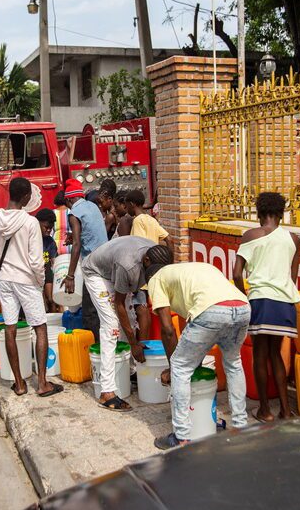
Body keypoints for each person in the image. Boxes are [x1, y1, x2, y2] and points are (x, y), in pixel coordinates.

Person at [145, 262, 252, 449]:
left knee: (179, 366)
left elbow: (168, 328)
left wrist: (174, 366)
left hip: (210, 311)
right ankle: (240, 427)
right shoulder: (193, 270)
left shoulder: (156, 279)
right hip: (242, 307)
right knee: (233, 363)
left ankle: (182, 436)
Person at [0, 177, 63, 398]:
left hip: (4, 280)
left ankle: (19, 383)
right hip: (26, 280)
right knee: (40, 327)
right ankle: (43, 383)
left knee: (10, 327)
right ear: (27, 197)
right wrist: (39, 282)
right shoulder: (30, 223)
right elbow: (37, 262)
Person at [81, 236, 172, 411]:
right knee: (112, 325)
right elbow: (119, 303)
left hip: (116, 270)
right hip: (97, 273)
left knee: (130, 320)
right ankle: (106, 391)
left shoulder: (158, 256)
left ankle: (130, 372)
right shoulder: (128, 266)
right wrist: (133, 344)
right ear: (146, 261)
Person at [233, 192, 300, 422]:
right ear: (282, 214)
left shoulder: (250, 235)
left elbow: (236, 273)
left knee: (260, 355)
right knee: (276, 355)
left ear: (259, 214)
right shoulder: (293, 239)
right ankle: (285, 410)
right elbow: (292, 278)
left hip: (261, 300)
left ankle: (264, 410)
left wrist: (244, 296)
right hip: (285, 304)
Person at [61, 178, 108, 342]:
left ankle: (96, 351)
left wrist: (70, 276)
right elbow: (89, 230)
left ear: (69, 199)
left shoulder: (74, 213)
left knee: (90, 312)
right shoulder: (92, 206)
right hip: (106, 259)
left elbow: (77, 244)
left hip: (93, 265)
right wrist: (74, 235)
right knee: (103, 306)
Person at [35, 208, 60, 312]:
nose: (49, 230)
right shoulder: (32, 239)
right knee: (41, 303)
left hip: (47, 273)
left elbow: (54, 261)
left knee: (51, 299)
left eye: (51, 228)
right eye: (46, 227)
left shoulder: (50, 241)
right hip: (34, 275)